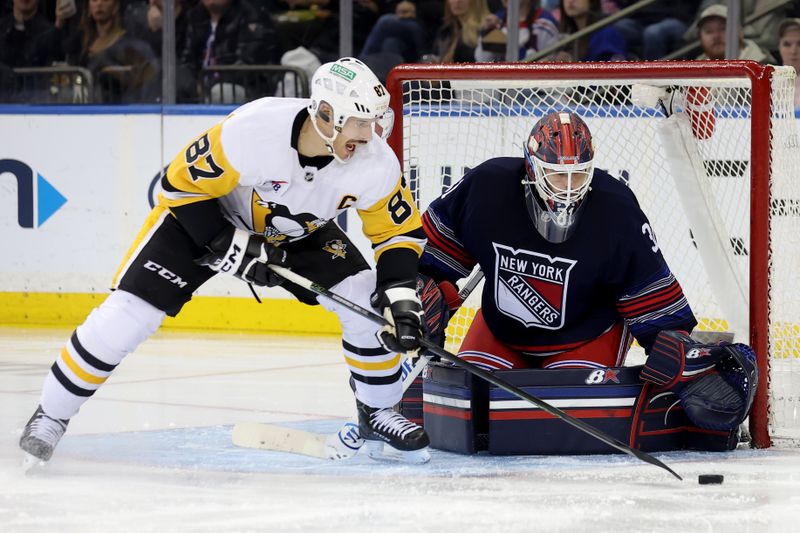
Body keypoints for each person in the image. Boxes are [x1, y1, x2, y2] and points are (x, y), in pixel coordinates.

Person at [19, 57, 432, 466]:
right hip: (205, 216)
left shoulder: (375, 161)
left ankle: (377, 410)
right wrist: (224, 241)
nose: (373, 133)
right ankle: (51, 414)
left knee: (363, 299)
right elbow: (178, 185)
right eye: (361, 122)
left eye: (376, 120)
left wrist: (400, 297)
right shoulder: (253, 130)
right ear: (326, 114)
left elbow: (397, 233)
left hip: (297, 232)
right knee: (130, 314)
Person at [416, 111, 758, 454]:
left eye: (577, 175)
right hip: (502, 331)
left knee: (565, 427)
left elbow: (651, 298)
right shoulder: (486, 186)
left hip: (586, 336)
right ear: (531, 166)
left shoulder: (616, 208)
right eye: (556, 175)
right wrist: (422, 294)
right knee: (472, 413)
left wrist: (676, 352)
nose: (567, 188)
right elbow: (430, 260)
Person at [63, 0, 159, 102]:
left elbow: (146, 84)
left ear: (116, 6)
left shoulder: (132, 46)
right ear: (89, 7)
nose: (99, 4)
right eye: (94, 0)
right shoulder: (79, 46)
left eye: (106, 0)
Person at [608, 0, 700, 60]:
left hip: (676, 19)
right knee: (615, 28)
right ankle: (616, 78)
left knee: (652, 33)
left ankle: (653, 81)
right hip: (643, 20)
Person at [474, 0, 559, 62]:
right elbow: (481, 59)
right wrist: (486, 33)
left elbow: (550, 62)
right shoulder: (497, 20)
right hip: (500, 83)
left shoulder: (545, 22)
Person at [693, 4, 774, 63]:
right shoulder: (693, 72)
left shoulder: (764, 68)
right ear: (700, 38)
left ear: (740, 32)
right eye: (709, 31)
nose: (716, 36)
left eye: (723, 29)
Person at [554, 0, 626, 62]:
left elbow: (613, 73)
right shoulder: (566, 37)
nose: (570, 1)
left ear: (592, 1)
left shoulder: (607, 35)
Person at [778, 18, 800, 109]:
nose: (793, 51)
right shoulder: (766, 81)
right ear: (779, 47)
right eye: (787, 44)